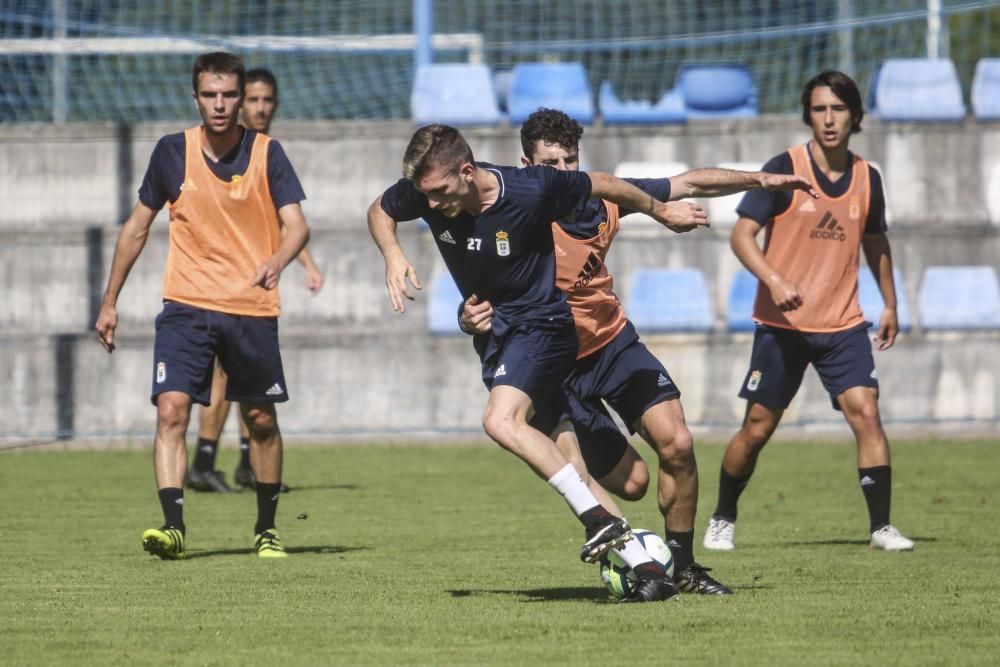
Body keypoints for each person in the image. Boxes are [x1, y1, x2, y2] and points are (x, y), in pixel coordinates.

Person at [459, 108, 817, 594]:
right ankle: (637, 564)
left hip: (613, 344)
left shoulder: (602, 197)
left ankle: (685, 568)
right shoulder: (515, 214)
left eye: (571, 160)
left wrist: (765, 180)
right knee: (633, 483)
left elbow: (688, 183)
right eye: (550, 163)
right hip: (553, 365)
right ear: (526, 164)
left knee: (680, 443)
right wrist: (468, 317)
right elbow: (477, 295)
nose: (564, 173)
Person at [368, 124, 709, 602]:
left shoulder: (530, 187)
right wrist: (392, 255)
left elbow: (604, 184)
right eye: (424, 195)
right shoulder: (427, 191)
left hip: (544, 329)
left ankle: (601, 523)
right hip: (499, 343)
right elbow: (380, 209)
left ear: (467, 172)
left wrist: (660, 211)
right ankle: (648, 568)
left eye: (440, 192)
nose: (431, 204)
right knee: (583, 471)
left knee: (500, 421)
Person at [95, 52, 310, 559]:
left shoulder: (267, 153)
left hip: (250, 308)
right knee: (171, 412)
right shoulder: (172, 152)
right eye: (210, 95)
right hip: (186, 305)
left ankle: (266, 528)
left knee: (259, 419)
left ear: (240, 97)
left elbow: (298, 224)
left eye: (229, 95)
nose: (220, 104)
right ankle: (173, 527)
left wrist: (278, 259)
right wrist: (109, 302)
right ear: (195, 97)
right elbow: (137, 227)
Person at [702, 70, 914, 552]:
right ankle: (722, 517)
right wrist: (774, 280)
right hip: (783, 326)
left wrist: (891, 304)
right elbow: (741, 236)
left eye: (838, 109)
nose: (829, 119)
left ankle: (881, 527)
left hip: (842, 324)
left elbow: (877, 244)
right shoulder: (784, 167)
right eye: (820, 109)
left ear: (854, 115)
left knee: (867, 412)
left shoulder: (867, 178)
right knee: (757, 428)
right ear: (808, 116)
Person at [187, 67, 323, 494]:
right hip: (224, 284)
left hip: (258, 285)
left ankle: (245, 464)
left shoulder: (266, 152)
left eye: (268, 101)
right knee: (225, 375)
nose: (261, 108)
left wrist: (305, 262)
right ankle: (204, 461)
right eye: (254, 100)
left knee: (245, 378)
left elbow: (283, 221)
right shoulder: (228, 154)